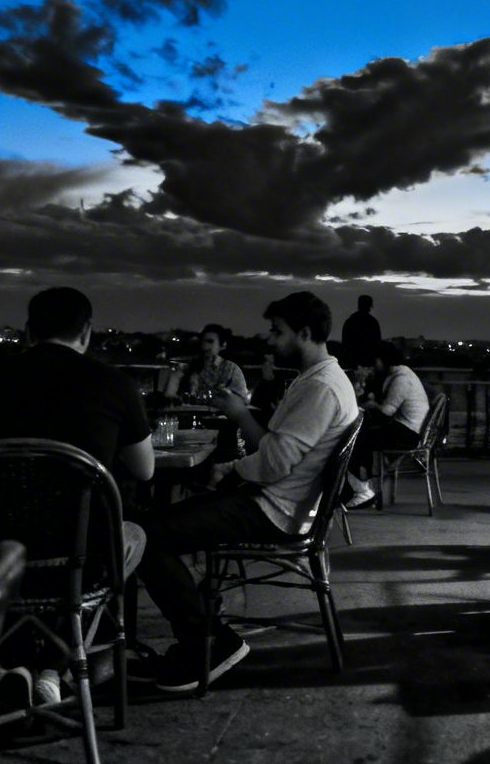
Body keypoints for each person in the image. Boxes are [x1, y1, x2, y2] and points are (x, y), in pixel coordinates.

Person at [0, 286, 154, 707]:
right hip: (80, 555)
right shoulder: (115, 385)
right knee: (133, 536)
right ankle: (57, 665)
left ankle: (10, 665)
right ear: (86, 332)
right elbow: (144, 470)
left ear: (28, 331)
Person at [132, 291, 358, 693]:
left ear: (305, 333)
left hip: (272, 511)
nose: (270, 340)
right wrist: (238, 437)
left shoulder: (320, 388)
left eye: (277, 331)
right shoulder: (321, 380)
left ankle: (209, 644)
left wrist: (233, 457)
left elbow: (274, 463)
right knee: (158, 523)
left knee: (146, 536)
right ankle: (202, 628)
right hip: (277, 502)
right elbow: (276, 449)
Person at [342, 340, 430, 509]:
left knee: (353, 439)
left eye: (375, 362)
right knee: (361, 437)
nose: (373, 367)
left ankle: (362, 489)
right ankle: (365, 486)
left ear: (382, 360)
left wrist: (371, 405)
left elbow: (386, 412)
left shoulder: (402, 379)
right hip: (408, 429)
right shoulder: (400, 375)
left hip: (407, 432)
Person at [162, 323, 248, 403]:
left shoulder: (231, 369)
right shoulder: (188, 367)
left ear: (222, 345)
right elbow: (170, 394)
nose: (205, 346)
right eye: (203, 341)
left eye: (210, 341)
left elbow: (241, 399)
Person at [341, 294, 381, 370]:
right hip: (368, 364)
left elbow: (345, 344)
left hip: (351, 363)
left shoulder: (349, 322)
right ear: (370, 306)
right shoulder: (373, 322)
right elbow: (377, 344)